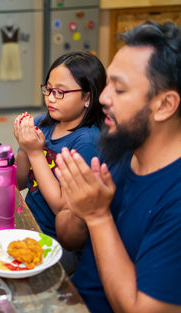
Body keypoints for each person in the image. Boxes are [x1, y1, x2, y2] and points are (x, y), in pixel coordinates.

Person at [55, 20, 181, 313]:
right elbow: (69, 238)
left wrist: (98, 216)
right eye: (107, 83)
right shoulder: (120, 144)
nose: (102, 98)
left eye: (120, 89)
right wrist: (80, 209)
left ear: (164, 105)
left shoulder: (175, 199)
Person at [13, 51, 106, 275]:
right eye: (48, 89)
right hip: (29, 223)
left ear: (87, 98)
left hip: (58, 243)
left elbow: (61, 206)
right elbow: (19, 182)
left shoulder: (87, 141)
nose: (51, 98)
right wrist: (25, 148)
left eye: (61, 92)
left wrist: (35, 152)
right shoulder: (42, 124)